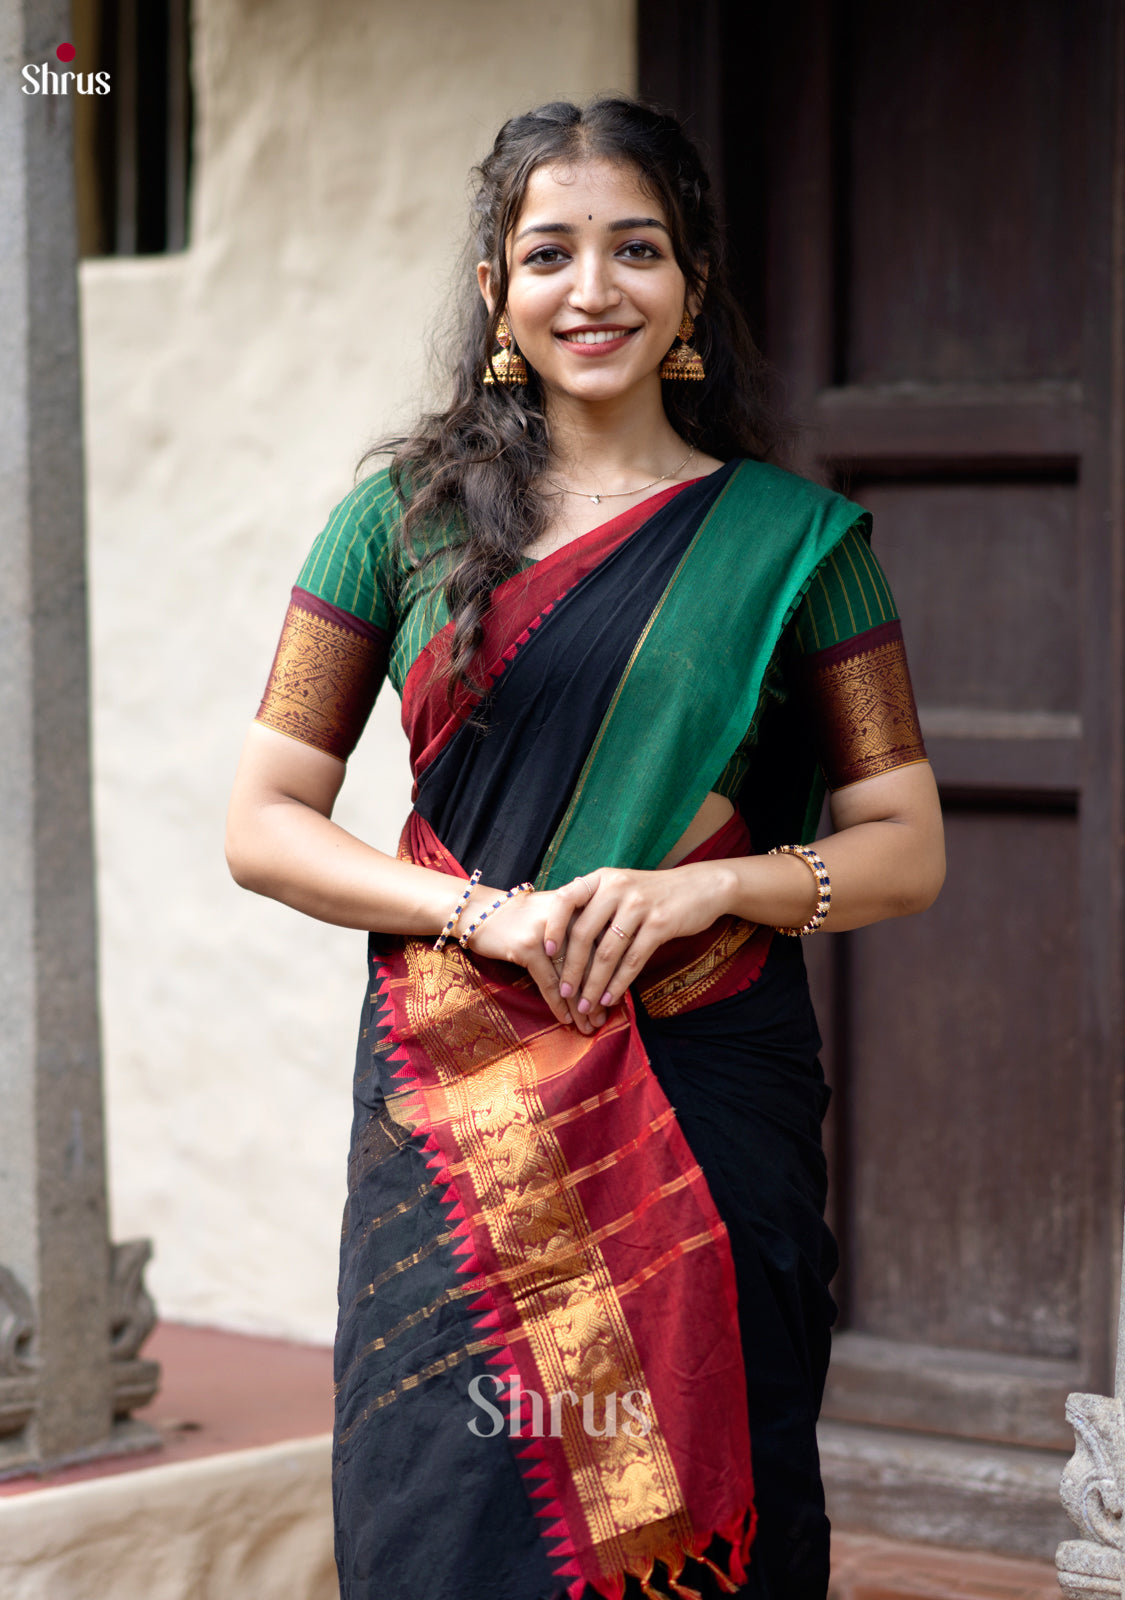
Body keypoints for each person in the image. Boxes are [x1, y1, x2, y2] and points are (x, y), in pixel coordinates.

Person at [226, 96, 944, 1600]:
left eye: (637, 250)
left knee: (690, 1488)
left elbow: (903, 848)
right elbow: (266, 825)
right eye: (549, 252)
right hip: (461, 1100)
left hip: (703, 1085)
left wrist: (715, 886)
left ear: (689, 286)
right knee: (457, 1515)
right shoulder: (397, 524)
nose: (593, 289)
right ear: (497, 290)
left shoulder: (799, 547)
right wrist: (478, 914)